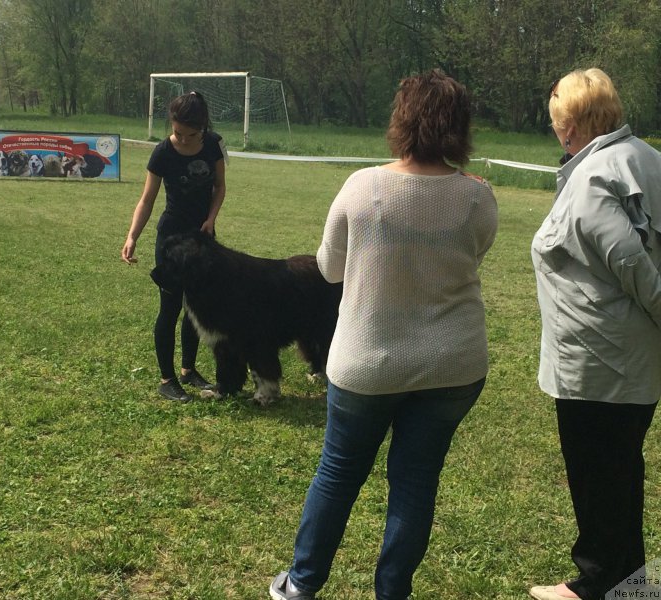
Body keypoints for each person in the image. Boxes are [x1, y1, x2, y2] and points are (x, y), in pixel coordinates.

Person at [269, 69, 498, 600]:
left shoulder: (363, 185)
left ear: (402, 119)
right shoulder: (478, 198)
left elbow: (329, 268)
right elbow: (473, 254)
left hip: (367, 362)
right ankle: (393, 592)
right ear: (460, 129)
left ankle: (301, 584)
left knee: (339, 473)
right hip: (453, 364)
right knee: (415, 482)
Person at [528, 69, 661, 600]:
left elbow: (632, 266)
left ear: (570, 127)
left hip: (598, 361)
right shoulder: (646, 158)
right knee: (621, 472)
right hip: (631, 357)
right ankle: (630, 585)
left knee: (598, 475)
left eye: (558, 122)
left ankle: (598, 582)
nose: (557, 132)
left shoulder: (590, 181)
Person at [120, 91, 227, 402]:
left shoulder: (213, 144)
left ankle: (188, 371)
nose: (181, 138)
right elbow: (147, 200)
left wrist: (210, 219)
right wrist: (132, 236)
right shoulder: (163, 152)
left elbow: (220, 187)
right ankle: (167, 380)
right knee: (170, 309)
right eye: (177, 131)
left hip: (202, 236)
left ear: (203, 128)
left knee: (196, 308)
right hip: (171, 240)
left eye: (189, 134)